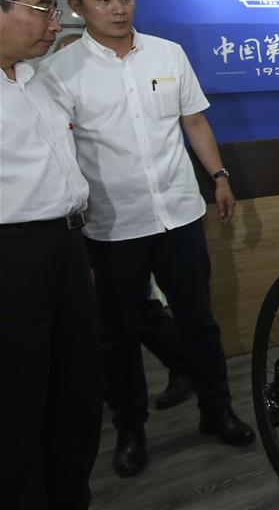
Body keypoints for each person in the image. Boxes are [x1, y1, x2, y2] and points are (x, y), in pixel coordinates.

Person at [41, 0, 254, 479]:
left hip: (179, 212)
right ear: (76, 6)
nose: (118, 9)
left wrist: (219, 176)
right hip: (110, 226)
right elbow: (60, 150)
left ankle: (216, 408)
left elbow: (194, 120)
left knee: (199, 321)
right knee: (117, 334)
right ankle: (130, 428)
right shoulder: (58, 71)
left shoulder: (167, 53)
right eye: (103, 0)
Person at [0, 0, 102, 510]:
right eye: (41, 8)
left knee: (75, 391)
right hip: (11, 257)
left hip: (62, 247)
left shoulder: (34, 82)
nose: (54, 22)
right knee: (17, 400)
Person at [52, 32, 192, 410]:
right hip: (91, 222)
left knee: (139, 314)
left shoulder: (167, 53)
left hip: (158, 216)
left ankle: (189, 372)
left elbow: (192, 120)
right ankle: (128, 419)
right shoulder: (49, 85)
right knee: (116, 325)